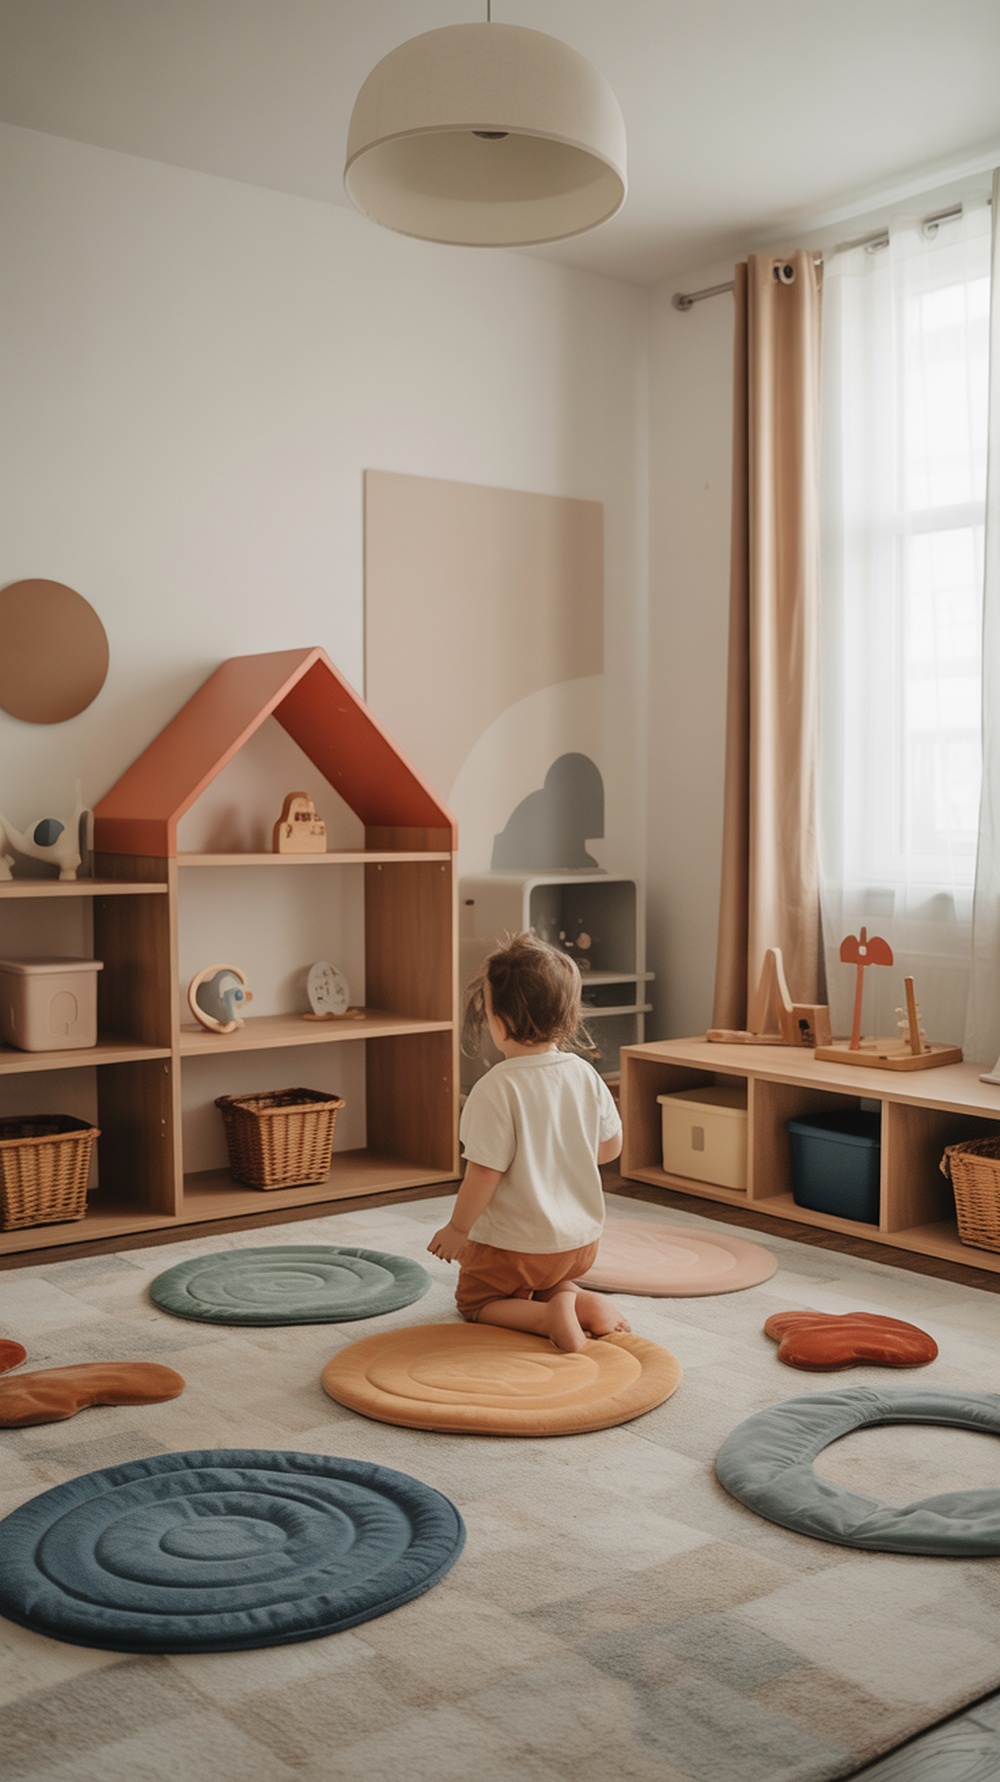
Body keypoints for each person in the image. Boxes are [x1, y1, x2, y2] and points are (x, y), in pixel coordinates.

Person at [428, 932, 629, 1353]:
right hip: (578, 1245)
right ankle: (578, 1302)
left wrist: (458, 1229)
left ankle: (548, 1317)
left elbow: (484, 1172)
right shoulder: (584, 1074)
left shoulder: (494, 1089)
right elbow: (610, 1149)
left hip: (513, 1248)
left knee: (478, 1299)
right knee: (544, 1279)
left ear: (498, 1023)